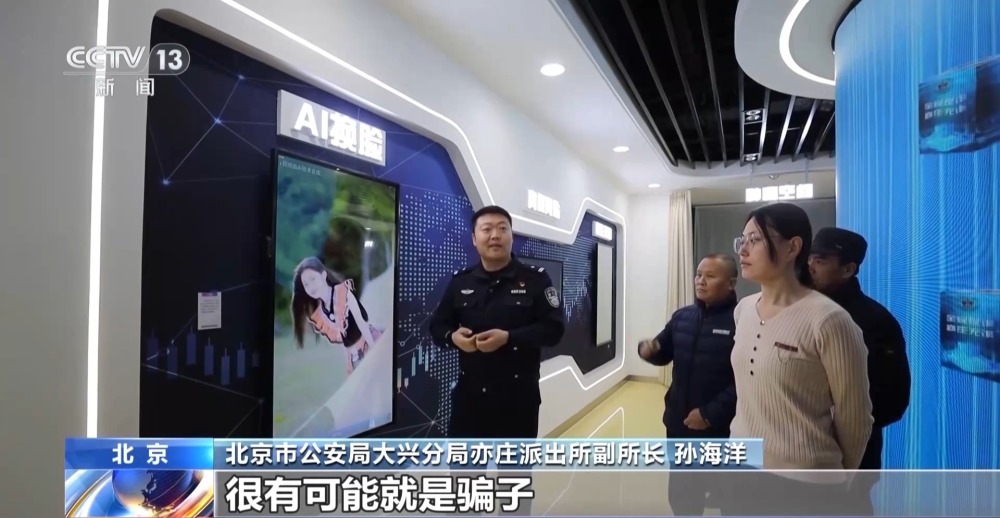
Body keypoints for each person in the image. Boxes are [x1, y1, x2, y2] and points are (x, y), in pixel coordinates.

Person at [721, 202, 874, 516]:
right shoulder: (744, 309)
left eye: (755, 240)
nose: (743, 250)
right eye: (742, 240)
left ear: (793, 247)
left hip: (805, 482)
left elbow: (855, 417)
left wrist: (837, 475)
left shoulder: (829, 320)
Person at [428, 205, 565, 515]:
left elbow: (554, 329)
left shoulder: (535, 280)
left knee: (514, 488)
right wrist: (453, 337)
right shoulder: (461, 281)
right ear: (474, 239)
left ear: (511, 236)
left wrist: (509, 338)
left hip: (517, 402)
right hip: (469, 401)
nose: (495, 236)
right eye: (487, 229)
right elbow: (437, 325)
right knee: (464, 488)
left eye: (502, 229)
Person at [809, 227, 911, 516]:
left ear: (848, 269)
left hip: (851, 460)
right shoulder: (799, 311)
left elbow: (892, 400)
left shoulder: (875, 321)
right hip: (800, 455)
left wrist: (839, 426)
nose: (810, 266)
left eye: (821, 260)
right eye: (810, 258)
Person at [638, 253, 739, 516]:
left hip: (722, 430)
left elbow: (746, 381)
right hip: (680, 423)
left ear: (731, 283)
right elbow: (662, 351)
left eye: (710, 276)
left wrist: (709, 414)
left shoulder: (743, 321)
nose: (700, 281)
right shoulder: (682, 317)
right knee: (683, 495)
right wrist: (648, 350)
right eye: (698, 274)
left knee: (728, 497)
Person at [290, 257, 383, 374]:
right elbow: (344, 341)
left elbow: (362, 324)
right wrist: (350, 363)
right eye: (306, 284)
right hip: (355, 358)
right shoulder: (321, 313)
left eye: (313, 279)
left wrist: (374, 352)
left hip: (370, 344)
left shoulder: (343, 292)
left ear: (323, 275)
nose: (311, 286)